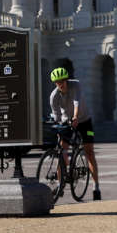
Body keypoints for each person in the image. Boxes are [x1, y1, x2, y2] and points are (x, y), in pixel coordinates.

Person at [48, 67, 101, 200]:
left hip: (84, 120)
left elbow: (76, 102)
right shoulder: (54, 96)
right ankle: (60, 186)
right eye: (57, 82)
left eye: (62, 81)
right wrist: (59, 130)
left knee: (89, 151)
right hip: (67, 121)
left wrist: (76, 117)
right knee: (62, 152)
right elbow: (57, 116)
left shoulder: (75, 84)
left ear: (66, 80)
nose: (60, 84)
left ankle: (96, 187)